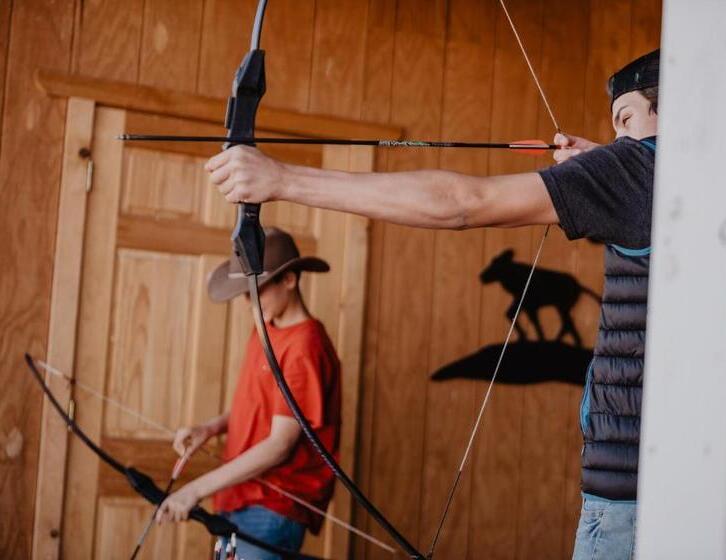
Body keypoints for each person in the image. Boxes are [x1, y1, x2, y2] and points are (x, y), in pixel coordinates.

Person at [205, 50, 661, 560]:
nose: (619, 141)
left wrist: (282, 180)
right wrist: (603, 164)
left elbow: (464, 204)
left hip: (627, 502)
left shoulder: (641, 167)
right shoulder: (675, 181)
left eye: (626, 120)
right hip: (652, 487)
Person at [155, 227, 342, 560]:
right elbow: (261, 408)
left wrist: (195, 490)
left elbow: (280, 444)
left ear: (289, 280)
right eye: (245, 293)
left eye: (258, 290)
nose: (249, 302)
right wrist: (210, 428)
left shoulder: (305, 347)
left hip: (272, 508)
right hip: (238, 498)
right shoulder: (266, 330)